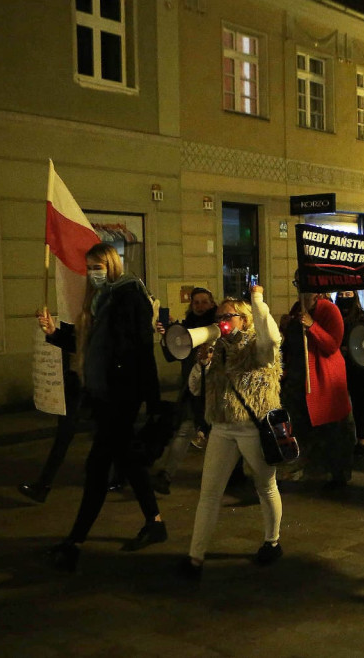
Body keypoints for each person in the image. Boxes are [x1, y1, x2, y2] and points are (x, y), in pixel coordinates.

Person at [40, 243, 164, 571]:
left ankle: (75, 543)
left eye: (98, 267)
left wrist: (152, 400)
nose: (93, 273)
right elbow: (90, 345)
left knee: (97, 467)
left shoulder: (129, 295)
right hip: (104, 394)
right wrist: (54, 334)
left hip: (123, 394)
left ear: (112, 265)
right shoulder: (98, 299)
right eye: (90, 267)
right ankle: (155, 522)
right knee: (128, 461)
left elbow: (143, 348)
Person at [177, 286, 284, 578]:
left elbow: (272, 337)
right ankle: (195, 557)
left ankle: (272, 541)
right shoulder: (217, 348)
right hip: (222, 427)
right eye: (219, 316)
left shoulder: (258, 347)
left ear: (245, 320)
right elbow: (194, 388)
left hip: (252, 428)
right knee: (209, 494)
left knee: (266, 486)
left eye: (229, 316)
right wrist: (201, 365)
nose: (222, 321)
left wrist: (258, 300)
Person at [281, 282, 352, 487]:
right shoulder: (297, 309)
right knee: (302, 426)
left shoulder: (329, 310)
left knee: (331, 429)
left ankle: (336, 473)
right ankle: (310, 467)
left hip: (323, 379)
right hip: (299, 378)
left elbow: (332, 345)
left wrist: (312, 326)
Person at [151, 287, 217, 494]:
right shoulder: (185, 326)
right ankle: (166, 475)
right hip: (192, 389)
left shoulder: (218, 325)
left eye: (204, 302)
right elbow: (172, 356)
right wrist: (167, 336)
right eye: (196, 302)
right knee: (185, 431)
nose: (200, 306)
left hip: (215, 389)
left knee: (219, 435)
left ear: (212, 303)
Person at [18, 321, 83, 504]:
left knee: (112, 438)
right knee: (64, 434)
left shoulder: (101, 313)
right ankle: (43, 486)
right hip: (76, 379)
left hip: (95, 381)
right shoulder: (77, 315)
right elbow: (74, 344)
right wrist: (53, 331)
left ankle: (128, 477)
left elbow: (87, 346)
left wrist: (55, 333)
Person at [337, 290, 364, 457]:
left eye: (348, 294)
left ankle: (362, 442)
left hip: (360, 369)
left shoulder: (361, 316)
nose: (344, 298)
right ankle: (343, 440)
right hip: (340, 368)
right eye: (341, 295)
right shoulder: (334, 315)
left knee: (360, 405)